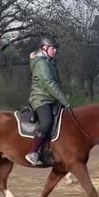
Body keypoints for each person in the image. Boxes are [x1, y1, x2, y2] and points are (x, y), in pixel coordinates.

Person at [26, 36, 70, 165]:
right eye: (53, 48)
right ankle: (33, 153)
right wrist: (64, 100)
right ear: (44, 48)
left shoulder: (49, 63)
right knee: (47, 122)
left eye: (56, 48)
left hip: (50, 99)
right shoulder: (41, 63)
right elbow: (49, 83)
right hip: (41, 98)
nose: (55, 50)